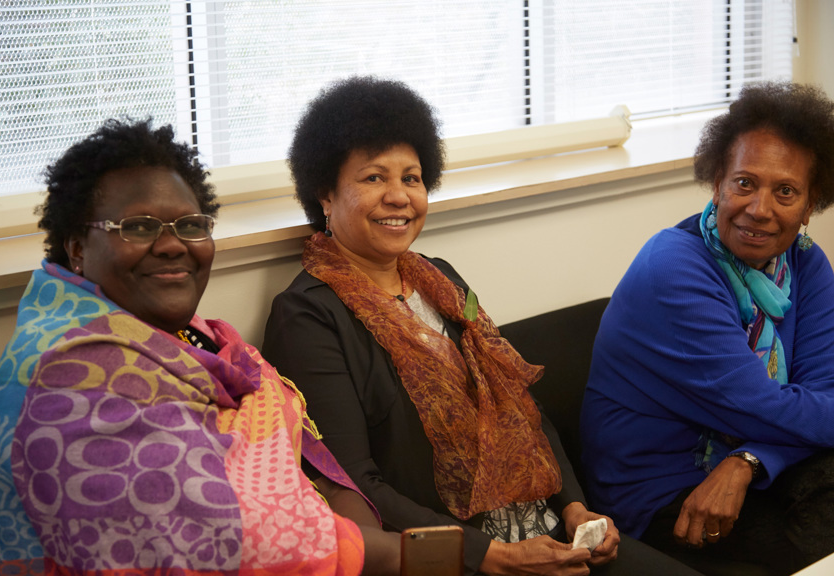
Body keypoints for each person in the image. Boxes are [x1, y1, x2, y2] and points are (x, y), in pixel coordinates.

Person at [262, 76, 701, 576]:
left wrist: (575, 506)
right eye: (373, 178)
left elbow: (518, 403)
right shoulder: (307, 317)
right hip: (460, 560)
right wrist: (491, 557)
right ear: (324, 192)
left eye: (411, 178)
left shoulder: (441, 278)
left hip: (551, 533)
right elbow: (354, 485)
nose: (399, 196)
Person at [0, 119, 400, 576]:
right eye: (138, 227)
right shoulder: (71, 380)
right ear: (77, 248)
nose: (173, 245)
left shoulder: (187, 336)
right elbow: (227, 541)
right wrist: (394, 553)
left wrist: (341, 508)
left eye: (191, 225)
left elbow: (303, 461)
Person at [580, 81, 834, 576]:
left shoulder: (805, 263)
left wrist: (749, 462)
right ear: (716, 181)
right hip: (662, 492)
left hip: (747, 461)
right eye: (744, 183)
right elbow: (760, 407)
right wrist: (760, 448)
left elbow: (818, 394)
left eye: (785, 191)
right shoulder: (674, 267)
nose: (760, 209)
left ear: (810, 205)